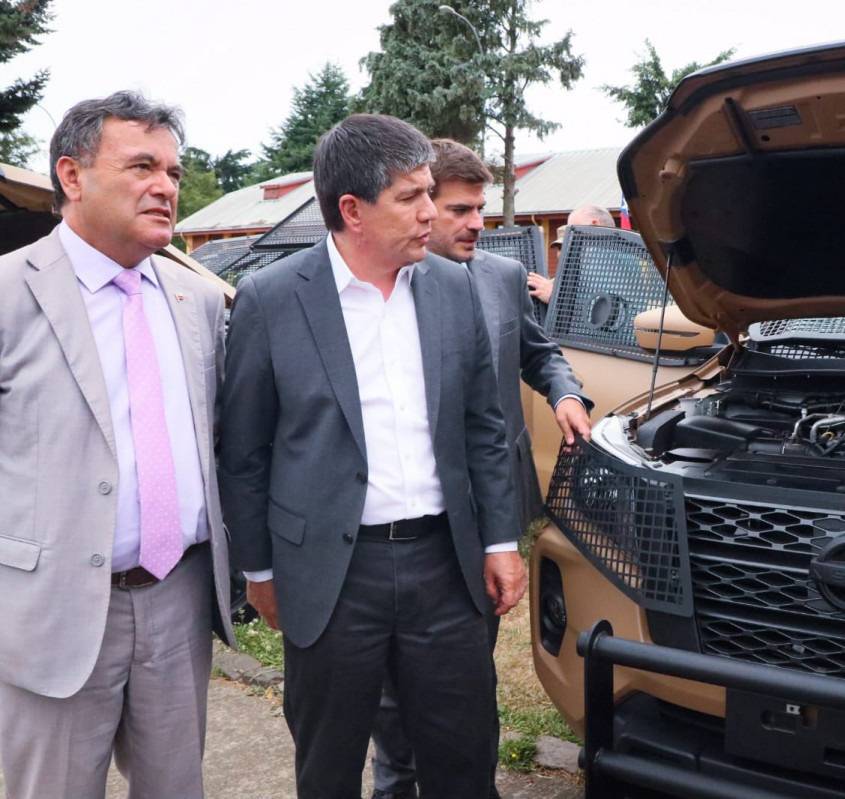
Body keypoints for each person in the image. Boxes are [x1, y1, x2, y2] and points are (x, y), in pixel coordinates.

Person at [217, 115, 526, 799]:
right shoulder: (272, 300)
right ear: (351, 210)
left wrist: (501, 539)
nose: (429, 213)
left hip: (446, 566)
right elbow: (244, 448)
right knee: (328, 766)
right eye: (411, 197)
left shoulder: (451, 287)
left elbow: (483, 424)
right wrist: (260, 569)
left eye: (429, 194)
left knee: (463, 759)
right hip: (330, 574)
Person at [0, 91, 234, 799]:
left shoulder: (197, 302)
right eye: (141, 166)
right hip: (55, 610)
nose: (166, 186)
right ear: (72, 177)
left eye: (172, 169)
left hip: (179, 594)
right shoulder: (9, 292)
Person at [368, 138, 593, 799]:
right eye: (460, 209)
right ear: (418, 207)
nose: (476, 225)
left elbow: (538, 352)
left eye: (481, 211)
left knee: (466, 669)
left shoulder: (497, 279)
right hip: (400, 519)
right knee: (386, 679)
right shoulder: (379, 292)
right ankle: (395, 778)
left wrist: (566, 391)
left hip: (485, 519)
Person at [528, 203, 616, 304]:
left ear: (594, 225)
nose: (573, 237)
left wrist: (553, 297)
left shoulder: (611, 264)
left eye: (575, 230)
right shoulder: (590, 265)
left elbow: (598, 311)